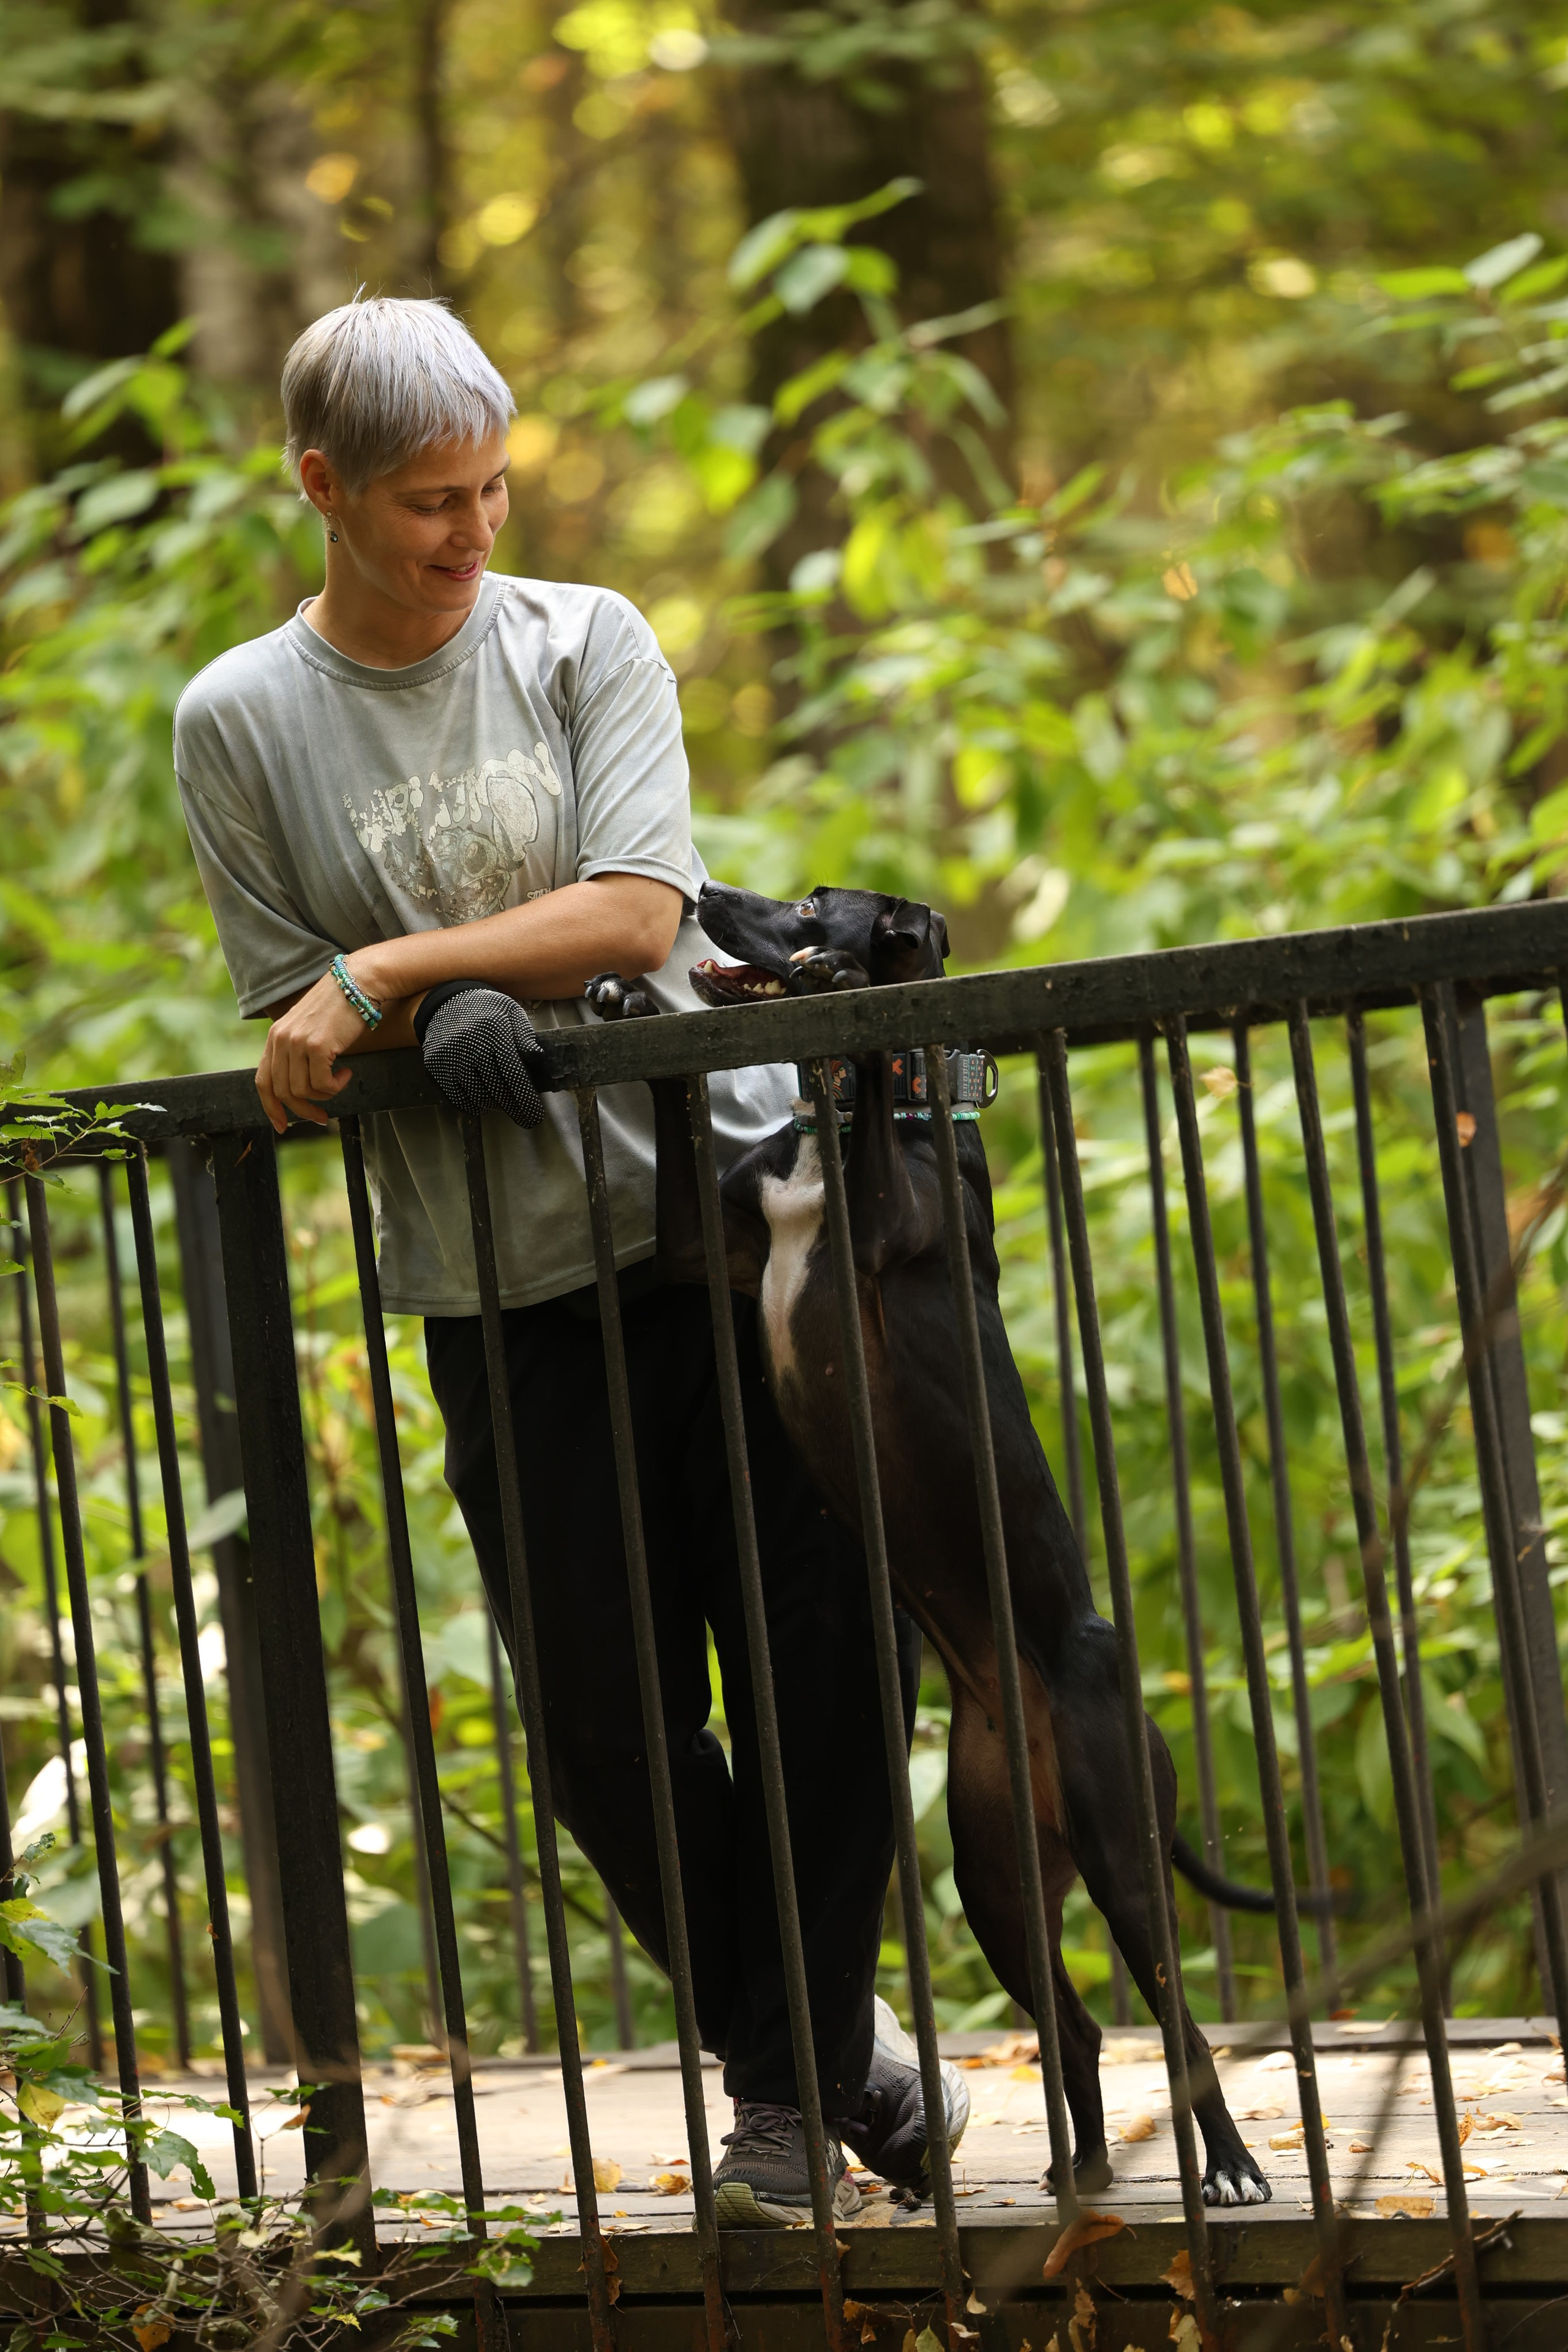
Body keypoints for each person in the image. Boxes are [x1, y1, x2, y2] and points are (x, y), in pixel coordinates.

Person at [173, 296, 967, 2226]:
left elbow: (635, 903)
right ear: (322, 490)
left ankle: (784, 2100)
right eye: (431, 501)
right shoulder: (240, 722)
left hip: (724, 1230)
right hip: (494, 1278)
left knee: (823, 1659)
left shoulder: (583, 639)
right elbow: (291, 1014)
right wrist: (385, 1009)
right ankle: (832, 2056)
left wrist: (411, 968)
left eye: (494, 484)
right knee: (604, 1727)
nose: (474, 530)